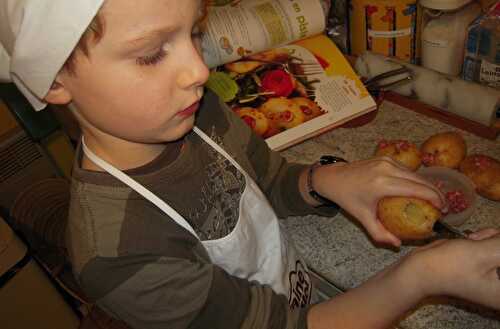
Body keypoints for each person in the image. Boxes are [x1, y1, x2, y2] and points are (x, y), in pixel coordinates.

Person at [1, 1, 499, 328]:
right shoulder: (120, 252)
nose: (198, 71)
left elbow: (265, 178)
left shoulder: (193, 112)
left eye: (193, 33)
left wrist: (328, 180)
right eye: (153, 54)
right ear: (54, 82)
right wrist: (421, 277)